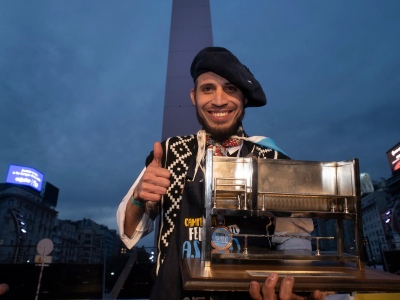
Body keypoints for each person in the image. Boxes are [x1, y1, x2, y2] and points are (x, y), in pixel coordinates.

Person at [117, 47, 320, 300]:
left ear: (244, 98)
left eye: (231, 89)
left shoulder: (272, 157)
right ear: (194, 96)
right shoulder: (168, 153)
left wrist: (293, 286)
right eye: (208, 88)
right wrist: (139, 197)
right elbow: (128, 229)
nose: (219, 100)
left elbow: (294, 240)